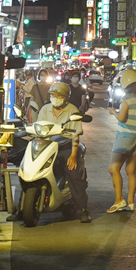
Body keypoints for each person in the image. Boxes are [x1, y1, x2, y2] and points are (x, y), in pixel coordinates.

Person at [35, 82, 91, 223]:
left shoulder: (72, 111)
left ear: (65, 98)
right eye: (54, 95)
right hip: (47, 146)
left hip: (66, 147)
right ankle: (22, 209)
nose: (56, 98)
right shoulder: (45, 109)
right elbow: (38, 130)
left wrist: (73, 156)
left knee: (73, 174)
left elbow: (75, 135)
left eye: (59, 96)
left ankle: (83, 210)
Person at [107, 68, 136, 213]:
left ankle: (119, 200)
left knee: (113, 168)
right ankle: (131, 202)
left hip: (124, 138)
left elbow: (122, 118)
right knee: (131, 171)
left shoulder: (126, 99)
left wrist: (113, 112)